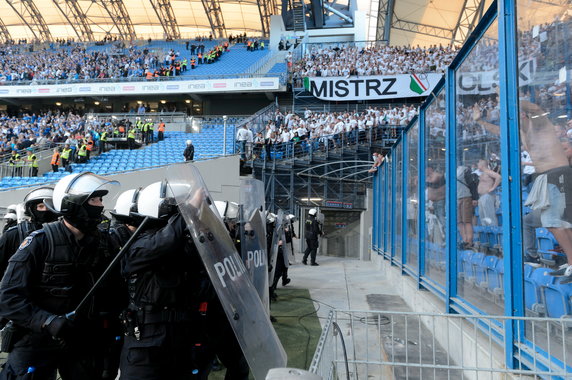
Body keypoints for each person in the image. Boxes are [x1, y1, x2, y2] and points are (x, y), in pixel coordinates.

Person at [0, 172, 123, 380]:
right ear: (74, 204)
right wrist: (48, 322)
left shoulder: (104, 243)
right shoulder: (39, 242)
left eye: (101, 199)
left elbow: (117, 291)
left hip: (84, 340)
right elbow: (9, 298)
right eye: (94, 199)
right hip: (37, 339)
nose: (100, 205)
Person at [118, 181, 213, 379]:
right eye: (181, 210)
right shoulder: (141, 245)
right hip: (145, 343)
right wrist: (190, 207)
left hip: (180, 338)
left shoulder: (181, 245)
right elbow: (165, 241)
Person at [0, 186, 58, 276]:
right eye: (41, 206)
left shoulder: (66, 234)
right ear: (31, 209)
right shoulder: (13, 235)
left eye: (49, 206)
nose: (46, 210)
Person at [477, 159, 501, 226]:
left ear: (482, 165)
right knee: (483, 217)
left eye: (478, 164)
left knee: (489, 216)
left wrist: (493, 187)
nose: (477, 166)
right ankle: (486, 233)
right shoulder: (483, 173)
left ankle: (493, 232)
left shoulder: (488, 171)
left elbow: (498, 177)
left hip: (487, 195)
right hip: (481, 197)